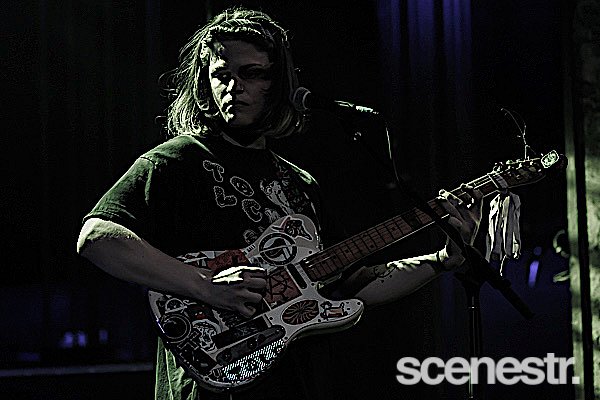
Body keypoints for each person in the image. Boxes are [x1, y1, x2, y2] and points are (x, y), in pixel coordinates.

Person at [77, 6, 482, 400]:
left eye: (251, 73)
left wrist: (443, 259)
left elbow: (354, 283)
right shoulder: (176, 160)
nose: (234, 87)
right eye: (221, 75)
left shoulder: (300, 183)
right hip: (210, 383)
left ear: (280, 83)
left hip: (297, 383)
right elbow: (96, 237)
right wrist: (206, 287)